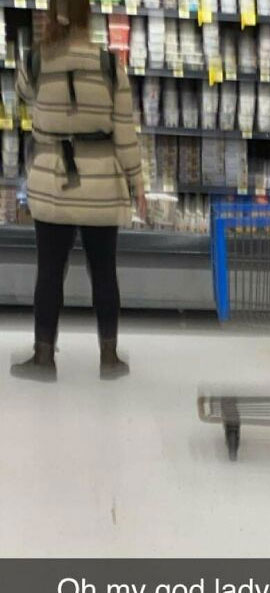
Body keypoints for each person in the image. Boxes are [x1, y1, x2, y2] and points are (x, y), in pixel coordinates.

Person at [11, 0, 146, 382]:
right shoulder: (108, 66)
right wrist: (137, 182)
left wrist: (45, 44)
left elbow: (22, 92)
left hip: (52, 180)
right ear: (90, 18)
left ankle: (43, 358)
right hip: (101, 181)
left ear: (51, 16)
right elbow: (124, 133)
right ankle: (109, 357)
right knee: (104, 270)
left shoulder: (37, 61)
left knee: (49, 271)